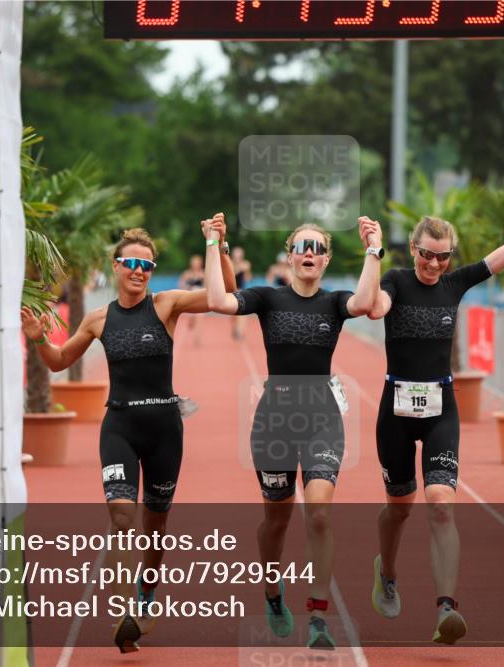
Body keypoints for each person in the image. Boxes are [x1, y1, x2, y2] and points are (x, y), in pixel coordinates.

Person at [367, 153, 504, 644]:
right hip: (394, 409)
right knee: (399, 506)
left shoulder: (456, 284)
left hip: (441, 406)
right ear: (413, 248)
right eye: (426, 254)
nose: (435, 264)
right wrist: (372, 257)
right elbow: (375, 308)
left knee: (440, 504)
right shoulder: (396, 280)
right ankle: (388, 570)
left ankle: (445, 609)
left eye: (443, 256)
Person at [21, 223, 237, 653]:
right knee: (122, 517)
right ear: (116, 267)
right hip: (119, 427)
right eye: (131, 263)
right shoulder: (99, 319)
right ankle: (123, 611)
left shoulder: (166, 305)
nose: (138, 271)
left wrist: (219, 245)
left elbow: (224, 294)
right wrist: (40, 338)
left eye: (146, 265)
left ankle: (146, 594)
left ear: (151, 270)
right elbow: (61, 361)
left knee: (156, 524)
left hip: (164, 431)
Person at [204, 213, 384, 650]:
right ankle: (271, 590)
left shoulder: (337, 302)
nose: (309, 253)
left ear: (325, 260)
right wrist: (214, 243)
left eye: (318, 248)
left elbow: (366, 304)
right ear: (289, 256)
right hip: (274, 422)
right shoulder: (267, 298)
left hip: (322, 417)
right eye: (302, 246)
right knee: (276, 520)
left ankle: (319, 616)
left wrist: (374, 249)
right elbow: (217, 301)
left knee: (319, 512)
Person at [178, 254, 206, 346]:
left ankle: (197, 338)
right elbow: (181, 285)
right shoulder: (187, 274)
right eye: (194, 263)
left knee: (200, 318)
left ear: (200, 264)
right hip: (190, 298)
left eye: (197, 263)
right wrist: (187, 287)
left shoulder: (203, 274)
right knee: (193, 318)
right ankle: (191, 320)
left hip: (200, 299)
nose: (195, 265)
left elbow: (207, 286)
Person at [230, 246, 252, 340]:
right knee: (233, 315)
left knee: (243, 313)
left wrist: (245, 270)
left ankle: (239, 331)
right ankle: (236, 329)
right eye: (236, 255)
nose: (238, 257)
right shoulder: (230, 264)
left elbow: (248, 278)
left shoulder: (246, 264)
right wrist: (238, 268)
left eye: (239, 255)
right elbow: (230, 276)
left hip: (242, 291)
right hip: (232, 292)